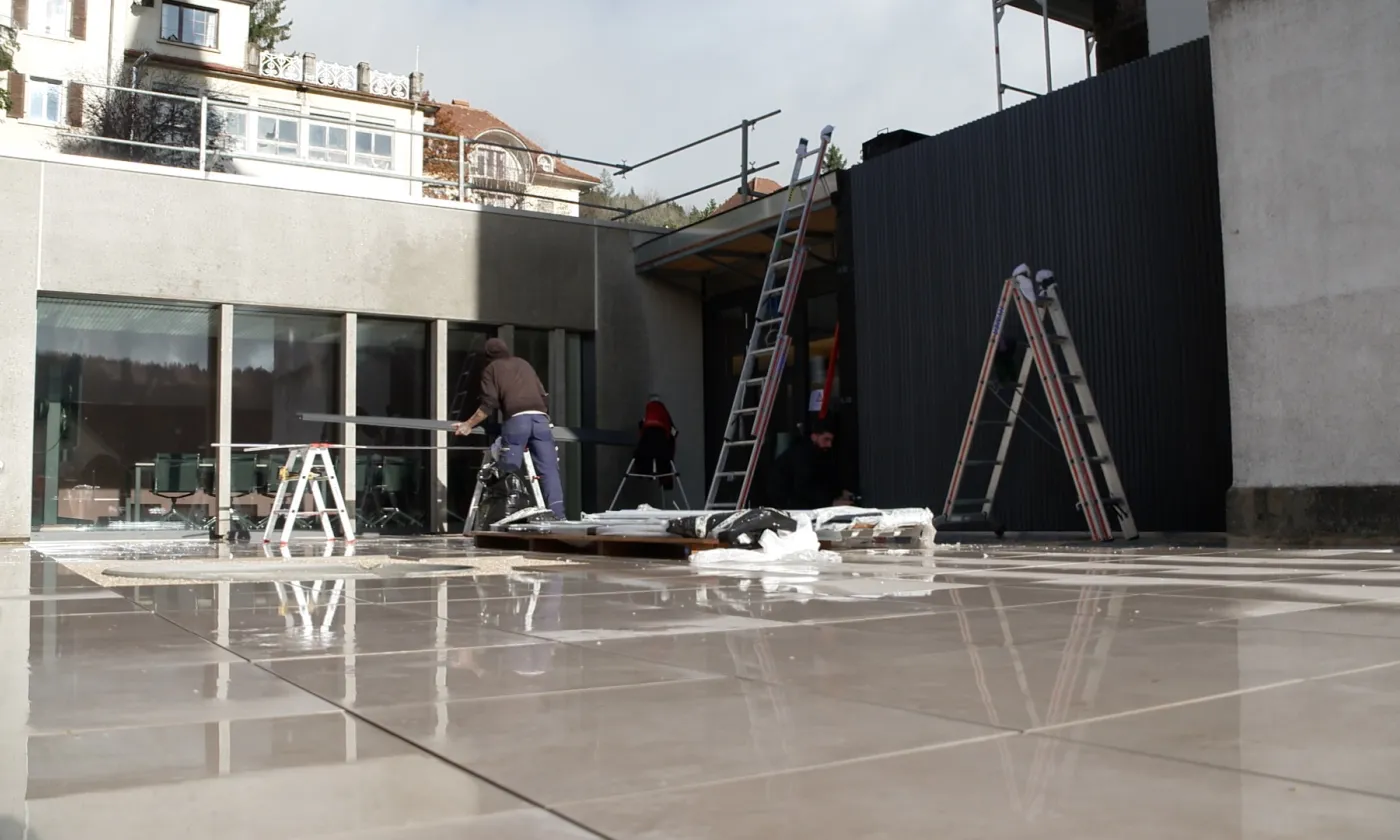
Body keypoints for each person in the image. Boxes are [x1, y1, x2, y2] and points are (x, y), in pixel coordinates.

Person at [452, 338, 565, 518]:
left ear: (487, 356)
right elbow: (544, 396)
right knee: (549, 470)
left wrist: (468, 425)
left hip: (517, 421)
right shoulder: (524, 364)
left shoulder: (491, 369)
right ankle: (558, 516)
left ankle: (507, 514)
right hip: (541, 420)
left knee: (508, 468)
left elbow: (488, 404)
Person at [765, 419, 855, 510]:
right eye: (826, 439)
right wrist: (830, 502)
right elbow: (804, 487)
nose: (829, 445)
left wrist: (839, 492)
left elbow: (823, 479)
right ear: (814, 437)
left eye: (831, 440)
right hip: (787, 503)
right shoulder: (802, 454)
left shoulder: (816, 452)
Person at [633, 394, 677, 490]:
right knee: (665, 462)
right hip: (662, 448)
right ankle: (665, 482)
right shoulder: (664, 414)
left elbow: (641, 427)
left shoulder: (646, 419)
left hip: (646, 447)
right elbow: (674, 432)